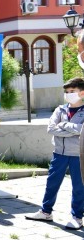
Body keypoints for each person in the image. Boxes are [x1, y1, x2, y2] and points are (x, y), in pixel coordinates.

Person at [25, 78, 84, 229]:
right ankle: (46, 212)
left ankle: (77, 217)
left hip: (79, 154)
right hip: (59, 153)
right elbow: (51, 129)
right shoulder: (60, 109)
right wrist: (73, 129)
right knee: (52, 183)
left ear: (82, 93)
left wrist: (64, 125)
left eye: (72, 91)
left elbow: (81, 131)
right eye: (66, 92)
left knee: (79, 187)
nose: (68, 94)